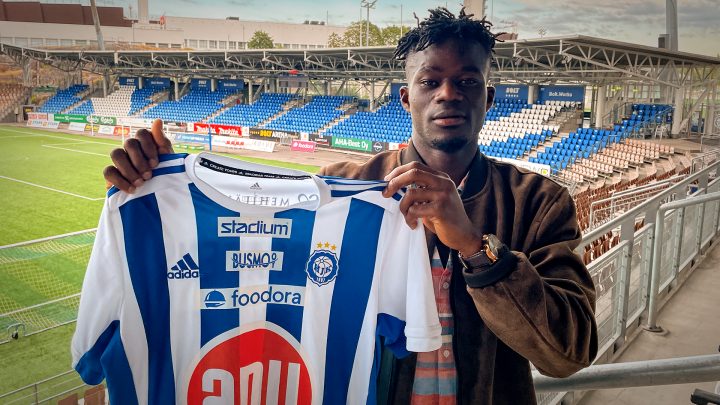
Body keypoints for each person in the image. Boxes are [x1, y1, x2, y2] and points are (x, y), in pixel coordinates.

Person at [103, 8, 597, 404]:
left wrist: (474, 246)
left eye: (468, 82)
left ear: (488, 98)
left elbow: (569, 352)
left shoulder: (537, 202)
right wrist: (164, 190)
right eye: (431, 81)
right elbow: (242, 263)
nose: (449, 93)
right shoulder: (345, 189)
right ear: (406, 98)